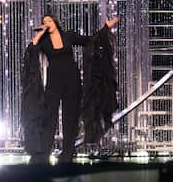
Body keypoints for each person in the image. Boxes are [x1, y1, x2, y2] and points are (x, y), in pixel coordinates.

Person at [22, 13, 118, 164]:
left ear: (55, 22)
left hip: (72, 80)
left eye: (49, 20)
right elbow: (31, 49)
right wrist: (40, 33)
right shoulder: (44, 42)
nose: (47, 23)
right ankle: (43, 154)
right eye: (44, 22)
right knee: (49, 117)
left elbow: (90, 40)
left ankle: (67, 155)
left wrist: (106, 28)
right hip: (54, 83)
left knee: (71, 118)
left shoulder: (68, 36)